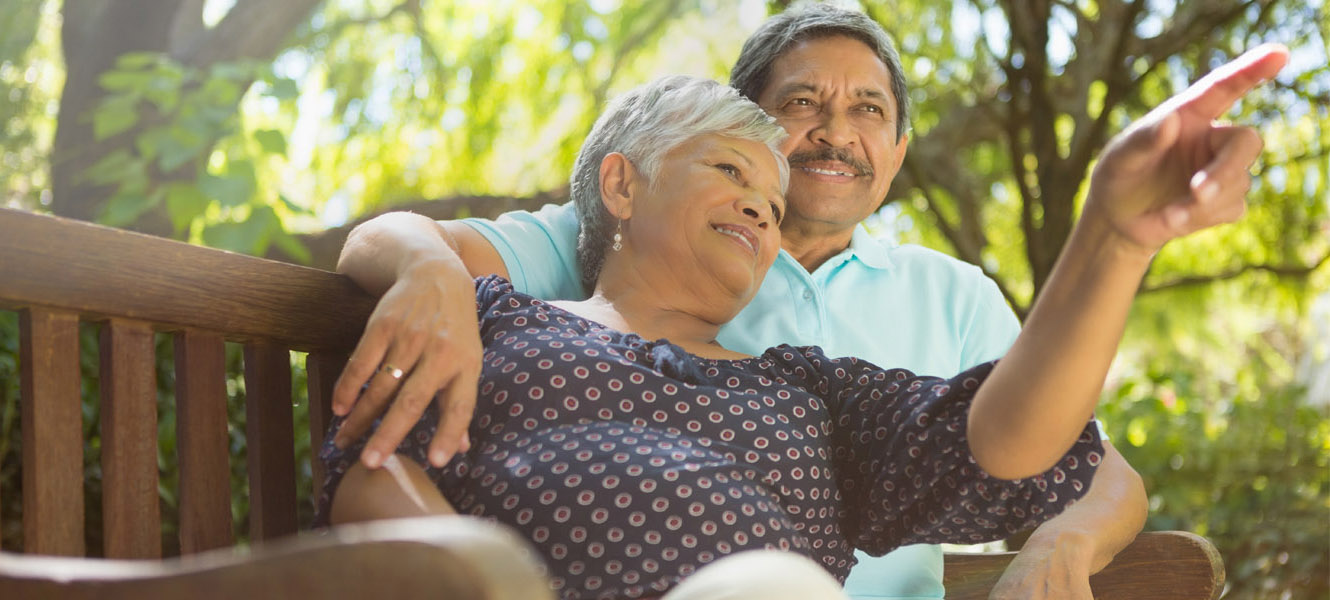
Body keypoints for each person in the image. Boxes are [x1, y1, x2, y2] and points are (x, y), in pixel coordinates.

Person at [328, 5, 1287, 598]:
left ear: (898, 152)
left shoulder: (814, 390)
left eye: (868, 110)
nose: (766, 195)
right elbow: (374, 460)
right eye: (738, 163)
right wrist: (431, 276)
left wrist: (1113, 241)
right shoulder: (519, 305)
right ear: (623, 189)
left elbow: (1018, 444)